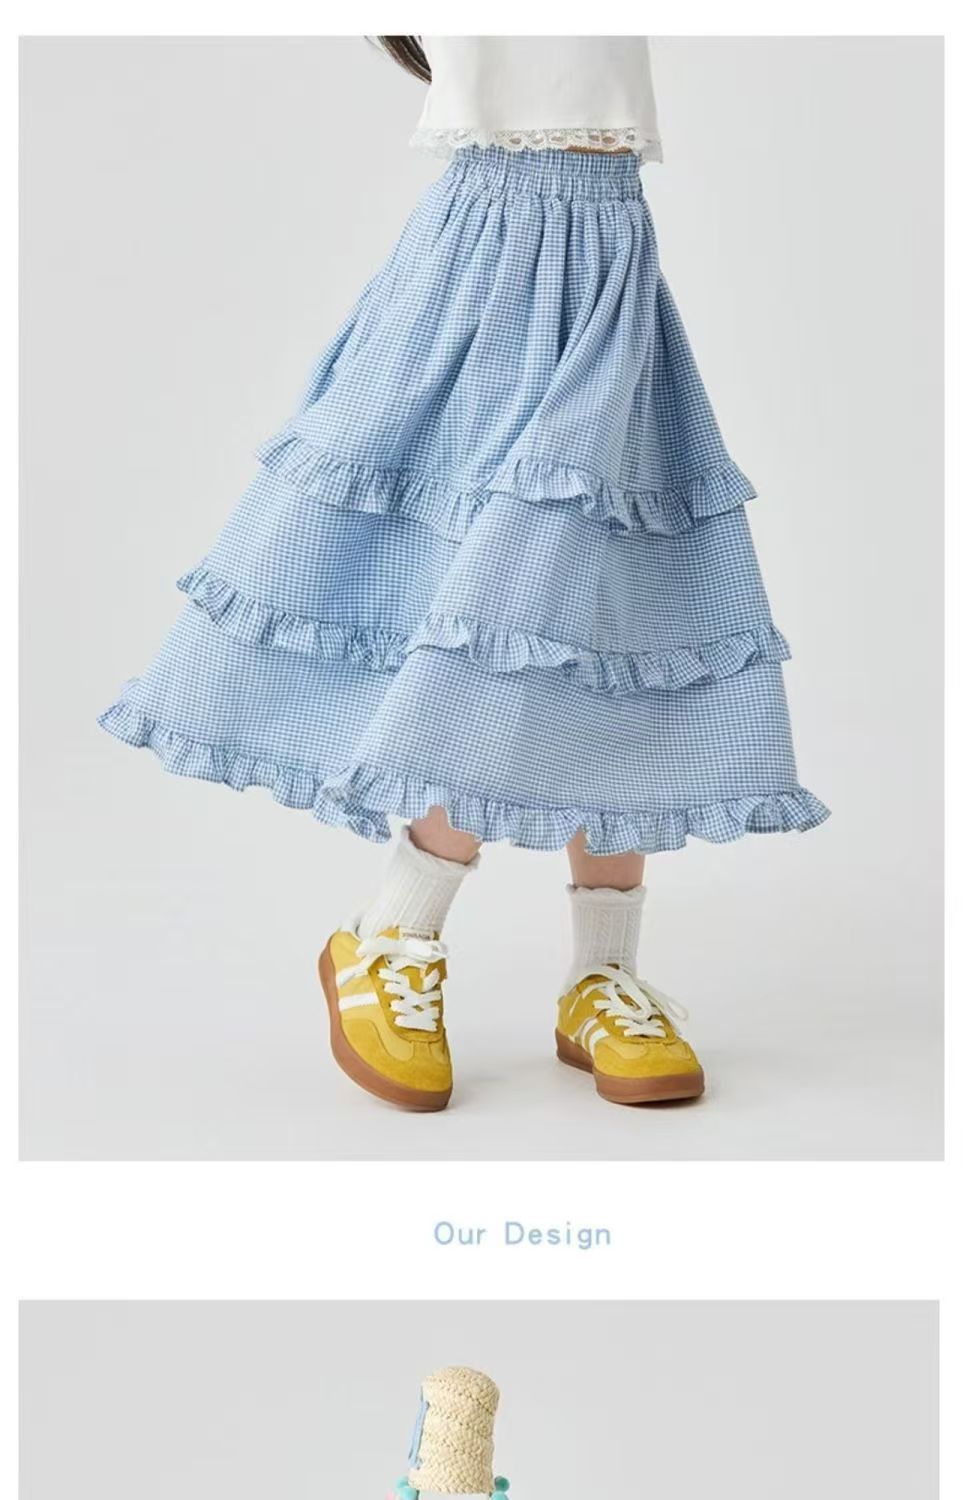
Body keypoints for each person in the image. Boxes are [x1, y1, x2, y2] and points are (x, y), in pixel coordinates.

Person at [99, 36, 828, 1113]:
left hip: (612, 256)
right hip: (487, 266)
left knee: (615, 607)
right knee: (499, 600)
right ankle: (391, 931)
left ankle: (602, 971)